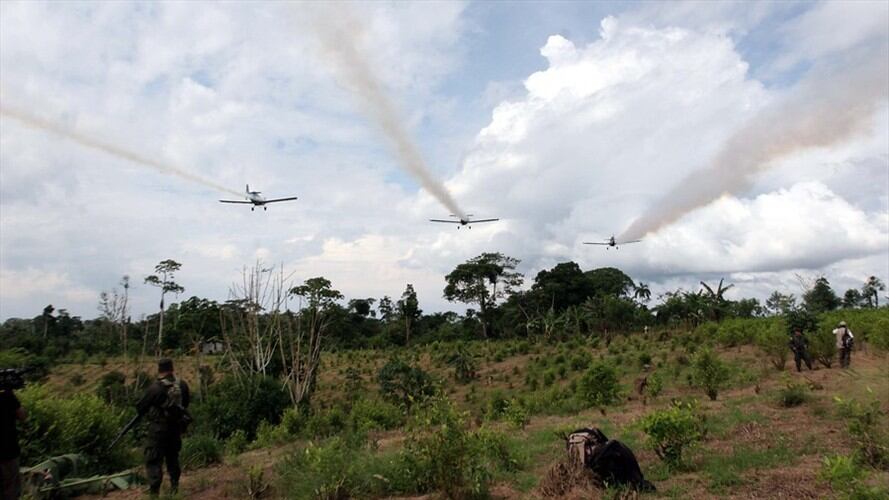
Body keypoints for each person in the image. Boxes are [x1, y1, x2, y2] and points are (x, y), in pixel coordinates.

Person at [136, 358, 190, 497]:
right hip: (175, 429)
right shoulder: (182, 385)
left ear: (159, 371)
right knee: (173, 458)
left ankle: (154, 494)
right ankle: (174, 488)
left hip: (158, 431)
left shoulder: (155, 388)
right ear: (172, 369)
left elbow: (141, 407)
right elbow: (186, 404)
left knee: (153, 460)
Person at [0, 384, 27, 500]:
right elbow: (22, 416)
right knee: (10, 490)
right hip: (7, 451)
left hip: (8, 451)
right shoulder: (6, 396)